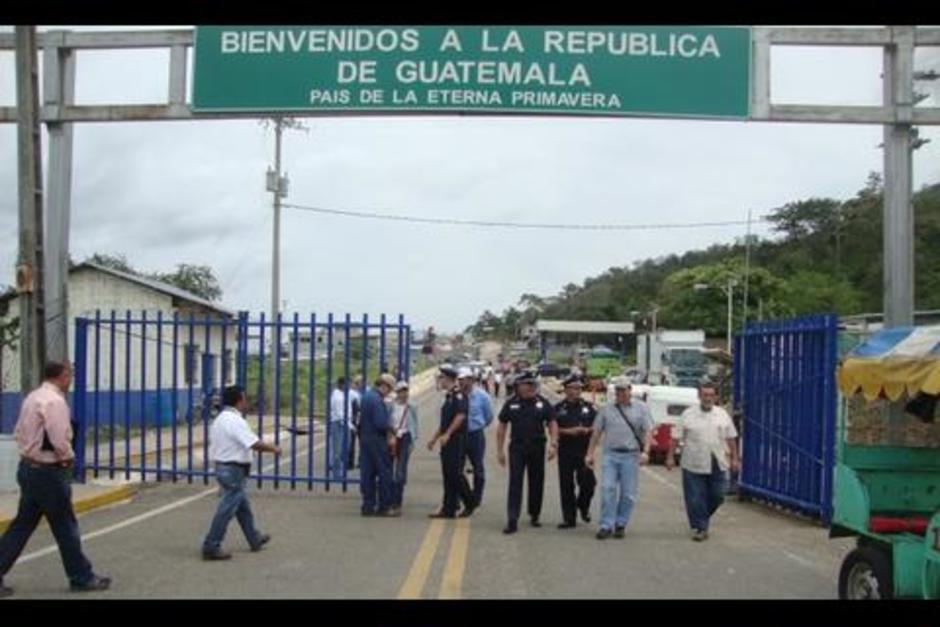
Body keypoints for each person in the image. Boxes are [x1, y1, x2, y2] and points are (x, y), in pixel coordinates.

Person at [0, 361, 111, 595]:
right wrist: (68, 457)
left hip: (29, 468)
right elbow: (59, 437)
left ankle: (81, 575)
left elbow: (19, 430)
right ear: (62, 376)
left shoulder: (33, 397)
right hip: (49, 472)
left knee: (23, 524)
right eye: (69, 374)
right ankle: (81, 577)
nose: (70, 378)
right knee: (65, 526)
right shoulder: (55, 401)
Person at [202, 385, 281, 560]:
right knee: (227, 509)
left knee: (243, 508)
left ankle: (254, 538)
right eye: (244, 398)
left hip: (226, 468)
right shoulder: (234, 421)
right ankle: (211, 544)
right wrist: (274, 448)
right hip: (233, 470)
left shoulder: (222, 418)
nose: (246, 401)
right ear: (239, 400)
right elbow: (253, 443)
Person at [666, 382, 739, 541]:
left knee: (719, 495)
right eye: (705, 395)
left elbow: (731, 437)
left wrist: (735, 458)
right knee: (694, 497)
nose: (708, 398)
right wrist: (670, 457)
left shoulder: (722, 414)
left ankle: (701, 518)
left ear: (716, 397)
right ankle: (700, 528)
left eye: (711, 395)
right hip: (693, 462)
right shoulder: (688, 414)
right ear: (699, 396)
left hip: (717, 461)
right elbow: (676, 437)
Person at [586, 377, 653, 540]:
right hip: (611, 455)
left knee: (628, 493)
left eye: (624, 390)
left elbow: (648, 431)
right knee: (607, 489)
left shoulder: (641, 409)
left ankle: (621, 523)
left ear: (630, 390)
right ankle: (605, 525)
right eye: (618, 390)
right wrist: (589, 453)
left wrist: (646, 451)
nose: (620, 393)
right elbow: (596, 432)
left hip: (630, 456)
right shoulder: (607, 409)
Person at [495, 369, 558, 534]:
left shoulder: (542, 403)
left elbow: (552, 422)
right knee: (515, 482)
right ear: (519, 386)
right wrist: (500, 450)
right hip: (517, 447)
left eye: (532, 384)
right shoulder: (511, 403)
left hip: (537, 446)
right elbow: (502, 426)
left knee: (536, 481)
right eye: (526, 384)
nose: (529, 387)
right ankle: (512, 518)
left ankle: (534, 514)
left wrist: (554, 444)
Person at [427, 365, 474, 519]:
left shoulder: (459, 396)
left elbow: (460, 416)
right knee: (448, 475)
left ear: (449, 379)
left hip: (457, 439)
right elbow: (445, 422)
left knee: (455, 474)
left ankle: (470, 501)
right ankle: (448, 508)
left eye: (442, 378)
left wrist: (447, 434)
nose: (440, 381)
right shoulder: (448, 397)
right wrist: (434, 439)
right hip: (447, 440)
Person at [553, 374, 597, 529]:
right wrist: (569, 431)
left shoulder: (588, 407)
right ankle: (569, 518)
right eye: (572, 388)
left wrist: (587, 429)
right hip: (565, 450)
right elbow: (553, 429)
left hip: (584, 450)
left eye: (578, 388)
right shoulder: (558, 409)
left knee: (589, 482)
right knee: (566, 485)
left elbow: (597, 428)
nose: (576, 391)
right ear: (565, 390)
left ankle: (583, 506)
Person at [358, 374, 398, 517]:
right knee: (384, 472)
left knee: (367, 473)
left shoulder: (366, 397)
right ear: (385, 386)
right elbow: (380, 423)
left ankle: (367, 505)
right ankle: (384, 506)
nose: (389, 393)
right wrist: (392, 429)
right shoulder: (377, 400)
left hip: (365, 438)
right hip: (377, 439)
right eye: (390, 389)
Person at [460, 368, 494, 514]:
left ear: (472, 380)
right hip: (459, 435)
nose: (462, 382)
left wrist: (477, 426)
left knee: (477, 467)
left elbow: (489, 416)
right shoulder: (457, 395)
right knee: (457, 469)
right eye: (460, 379)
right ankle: (464, 496)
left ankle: (476, 497)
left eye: (465, 379)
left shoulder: (482, 396)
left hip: (475, 434)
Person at [388, 380, 419, 510]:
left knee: (400, 470)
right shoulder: (390, 406)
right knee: (388, 468)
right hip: (392, 437)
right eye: (401, 391)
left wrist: (413, 441)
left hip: (405, 437)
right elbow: (387, 421)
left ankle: (397, 501)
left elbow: (415, 424)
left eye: (406, 391)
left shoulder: (412, 406)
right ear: (397, 393)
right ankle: (388, 497)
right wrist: (390, 435)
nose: (404, 394)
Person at [328, 376, 355, 480]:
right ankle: (337, 474)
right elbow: (340, 414)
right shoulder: (337, 397)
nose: (349, 386)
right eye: (347, 384)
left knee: (344, 449)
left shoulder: (344, 394)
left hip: (344, 423)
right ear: (341, 385)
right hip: (339, 424)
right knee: (338, 450)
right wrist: (350, 426)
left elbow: (356, 396)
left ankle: (340, 471)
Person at [347, 375, 363, 470]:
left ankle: (352, 463)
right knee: (353, 442)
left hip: (357, 419)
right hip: (356, 419)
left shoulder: (354, 393)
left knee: (357, 442)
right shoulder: (354, 393)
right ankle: (351, 462)